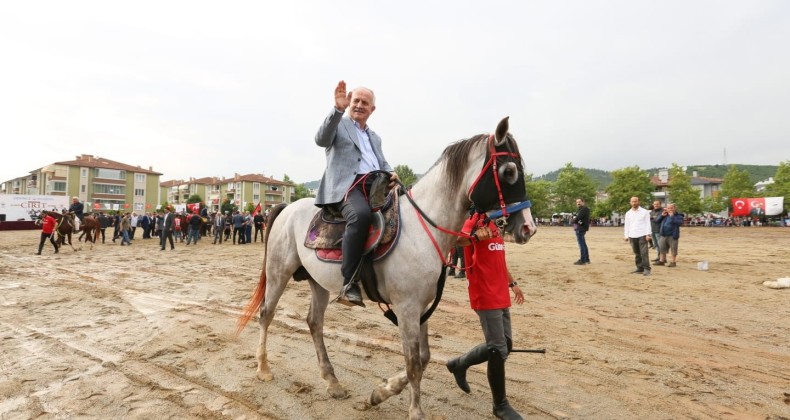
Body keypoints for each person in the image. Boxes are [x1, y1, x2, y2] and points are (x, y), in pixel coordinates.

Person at [314, 80, 399, 307]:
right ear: (349, 102)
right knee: (360, 216)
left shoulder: (375, 137)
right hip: (347, 187)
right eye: (356, 101)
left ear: (372, 109)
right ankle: (349, 283)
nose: (360, 105)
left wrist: (392, 172)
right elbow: (320, 139)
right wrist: (337, 109)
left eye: (365, 103)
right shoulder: (339, 124)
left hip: (376, 187)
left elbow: (382, 162)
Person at [446, 212, 526, 420]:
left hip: (500, 291)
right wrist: (475, 236)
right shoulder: (474, 220)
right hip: (484, 293)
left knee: (505, 345)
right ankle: (500, 405)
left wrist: (513, 283)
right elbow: (456, 239)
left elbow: (498, 259)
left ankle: (459, 364)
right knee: (497, 349)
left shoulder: (496, 224)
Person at [624, 196, 652, 276]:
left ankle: (647, 269)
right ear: (630, 202)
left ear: (639, 202)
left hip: (642, 235)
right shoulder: (628, 213)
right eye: (632, 201)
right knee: (637, 253)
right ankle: (640, 268)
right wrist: (626, 235)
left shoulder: (644, 212)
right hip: (632, 235)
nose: (634, 203)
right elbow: (627, 225)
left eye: (635, 201)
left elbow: (648, 224)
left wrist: (648, 234)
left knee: (644, 253)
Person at [655, 203, 684, 267]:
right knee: (662, 248)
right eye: (668, 208)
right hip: (663, 234)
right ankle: (661, 260)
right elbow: (657, 221)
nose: (670, 209)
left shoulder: (678, 216)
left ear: (674, 208)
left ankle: (673, 262)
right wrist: (662, 216)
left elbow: (680, 223)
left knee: (673, 249)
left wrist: (672, 216)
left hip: (673, 235)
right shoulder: (665, 215)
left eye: (671, 208)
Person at [572, 197, 591, 265]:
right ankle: (586, 259)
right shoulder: (581, 209)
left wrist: (574, 221)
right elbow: (576, 220)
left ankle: (583, 260)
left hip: (580, 229)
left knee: (581, 244)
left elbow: (576, 219)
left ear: (583, 202)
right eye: (577, 202)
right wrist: (575, 225)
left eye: (579, 202)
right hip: (580, 228)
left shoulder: (584, 209)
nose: (578, 203)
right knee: (583, 244)